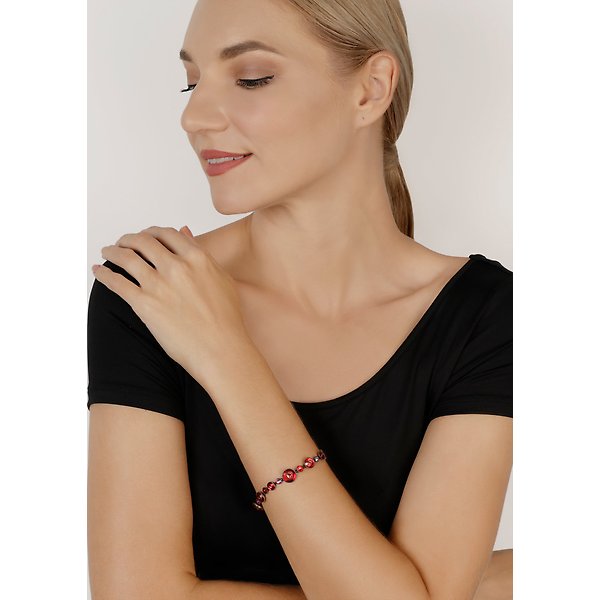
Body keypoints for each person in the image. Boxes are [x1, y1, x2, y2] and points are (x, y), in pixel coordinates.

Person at [87, 0, 513, 598]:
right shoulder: (152, 288)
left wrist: (227, 358)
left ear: (370, 89)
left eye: (252, 77)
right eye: (192, 81)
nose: (193, 116)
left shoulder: (487, 315)